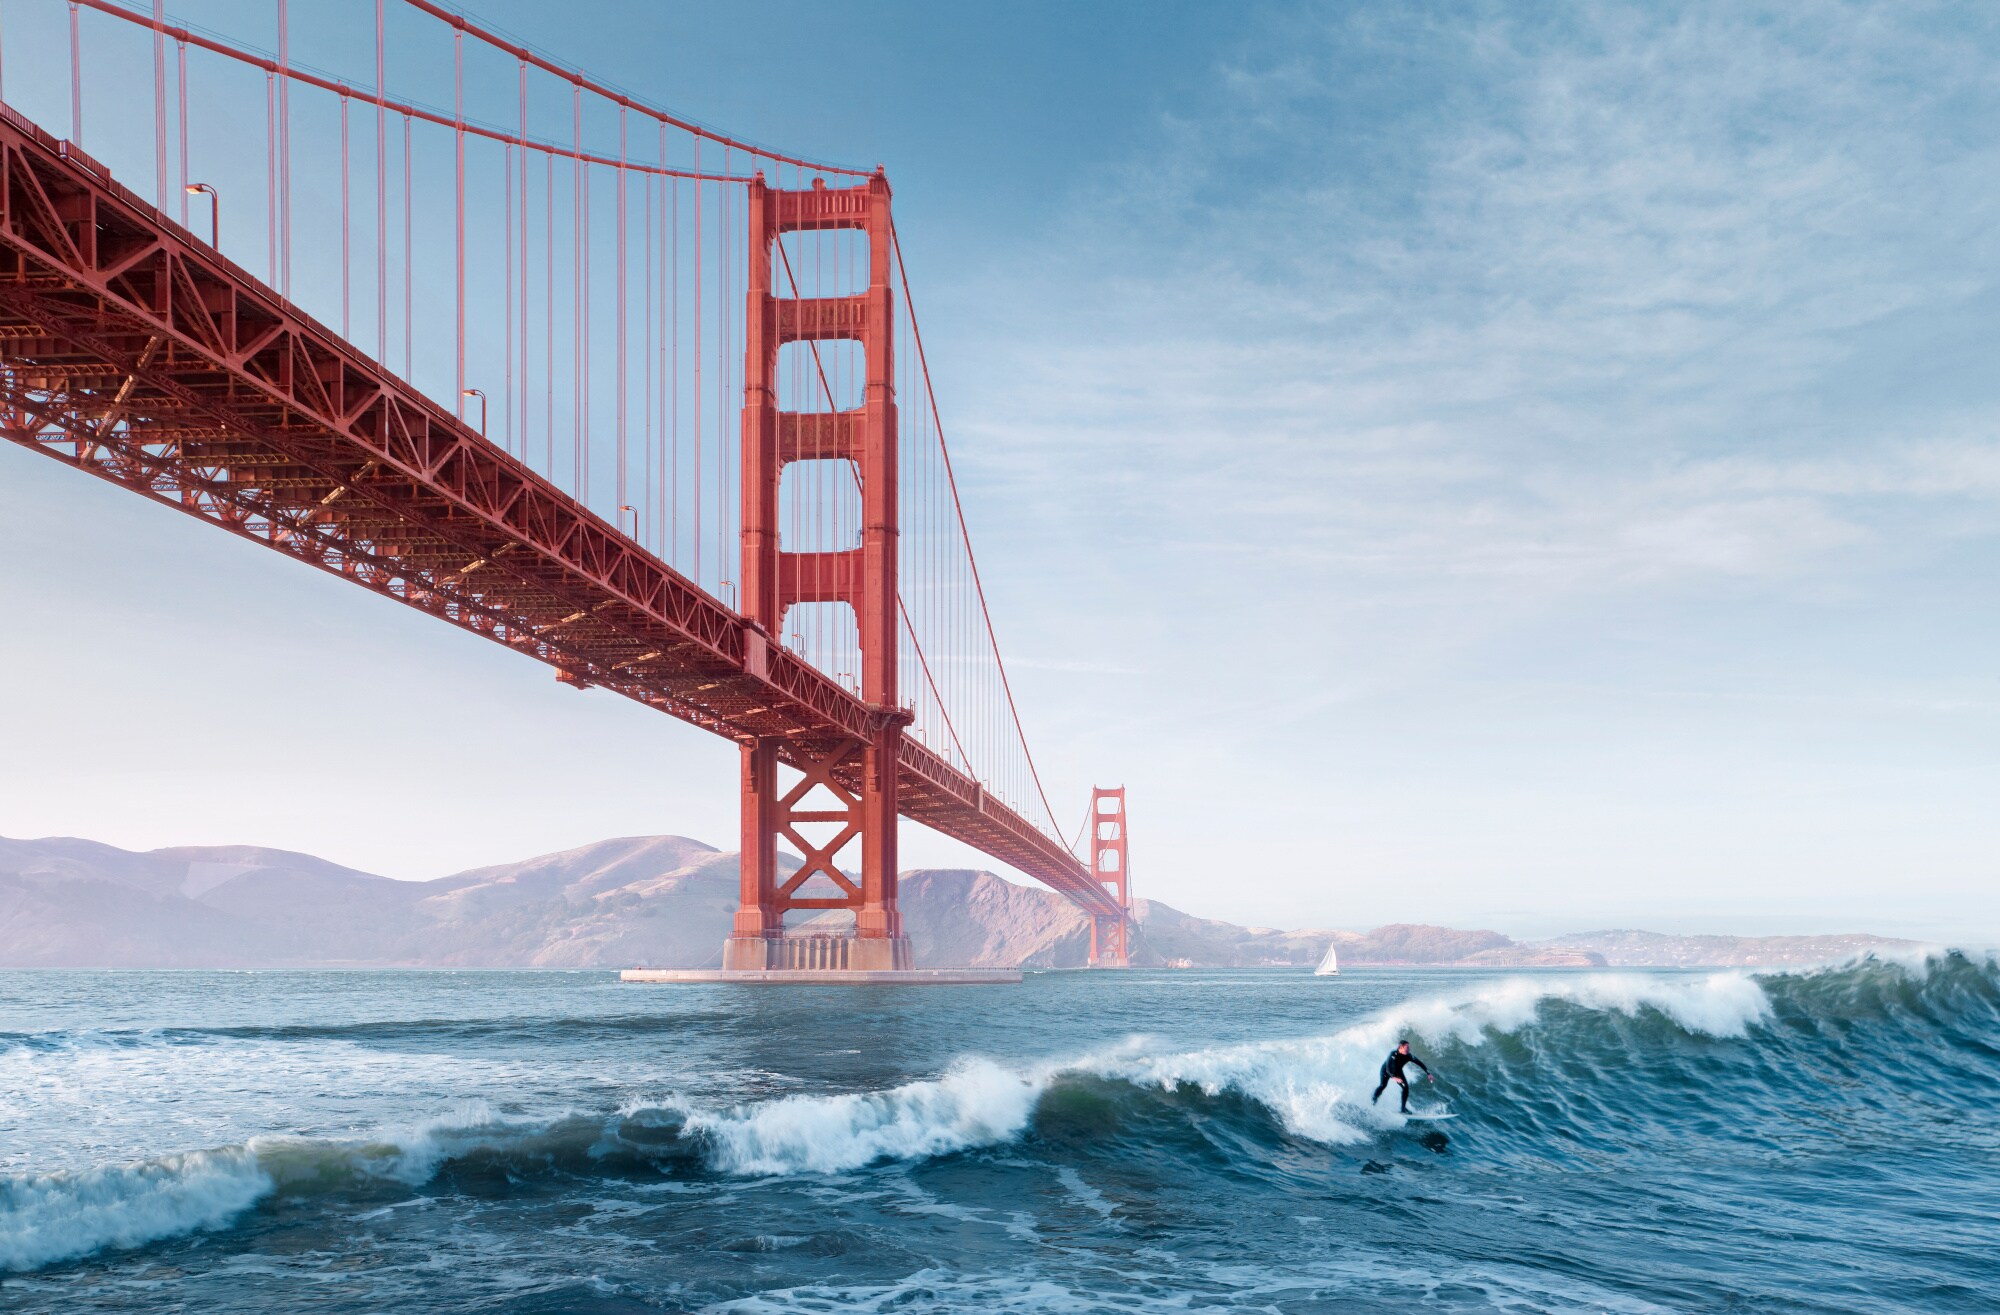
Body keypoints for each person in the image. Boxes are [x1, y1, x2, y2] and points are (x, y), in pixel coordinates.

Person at [1370, 1040, 1433, 1114]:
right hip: (1386, 1071)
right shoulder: (1393, 1054)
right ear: (1401, 1047)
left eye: (1409, 1047)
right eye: (1407, 1047)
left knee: (1405, 1088)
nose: (1409, 1049)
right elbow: (1388, 1068)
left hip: (1398, 1072)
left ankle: (1403, 1109)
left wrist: (1428, 1073)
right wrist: (1394, 1077)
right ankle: (1373, 1101)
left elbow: (1419, 1063)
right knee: (1383, 1085)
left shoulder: (1408, 1056)